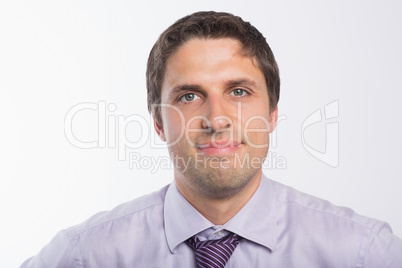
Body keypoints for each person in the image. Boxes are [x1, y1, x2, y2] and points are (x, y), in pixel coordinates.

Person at [21, 11, 402, 267]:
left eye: (238, 92)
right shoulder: (84, 256)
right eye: (189, 96)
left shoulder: (363, 253)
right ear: (158, 122)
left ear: (272, 114)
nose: (216, 119)